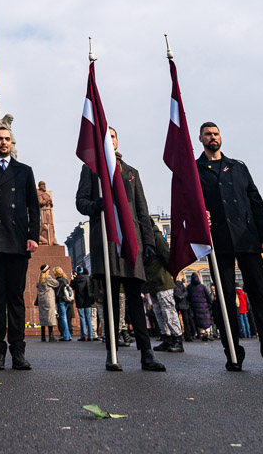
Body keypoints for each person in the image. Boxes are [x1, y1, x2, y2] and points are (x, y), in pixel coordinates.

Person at [196, 121, 263, 372]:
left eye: (216, 133)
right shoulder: (195, 170)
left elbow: (255, 201)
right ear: (201, 139)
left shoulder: (239, 167)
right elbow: (189, 203)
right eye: (208, 134)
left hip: (248, 239)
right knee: (226, 297)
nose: (213, 137)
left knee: (260, 297)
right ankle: (233, 352)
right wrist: (200, 217)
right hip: (218, 240)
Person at [75, 127, 165, 372]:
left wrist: (148, 243)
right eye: (106, 137)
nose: (110, 140)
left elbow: (142, 212)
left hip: (130, 241)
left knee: (135, 299)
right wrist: (97, 204)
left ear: (117, 142)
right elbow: (80, 202)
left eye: (113, 136)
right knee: (111, 299)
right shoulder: (91, 170)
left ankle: (146, 355)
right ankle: (112, 353)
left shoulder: (131, 172)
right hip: (105, 241)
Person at [0, 126, 40, 370]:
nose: (3, 143)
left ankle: (18, 350)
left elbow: (34, 207)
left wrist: (33, 236)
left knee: (16, 298)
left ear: (12, 143)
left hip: (17, 242)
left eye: (7, 139)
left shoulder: (24, 171)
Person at [142, 233, 184, 352]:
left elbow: (167, 256)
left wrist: (172, 272)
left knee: (168, 310)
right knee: (158, 312)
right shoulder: (146, 237)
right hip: (151, 281)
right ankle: (166, 338)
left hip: (162, 279)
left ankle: (177, 339)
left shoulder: (157, 237)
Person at [71, 266, 94, 341]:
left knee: (82, 318)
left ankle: (83, 335)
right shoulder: (87, 279)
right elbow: (89, 289)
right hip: (87, 300)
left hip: (79, 301)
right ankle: (90, 336)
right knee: (89, 318)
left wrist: (72, 279)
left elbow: (72, 287)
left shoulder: (75, 280)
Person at [36, 264, 56, 342]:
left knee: (43, 317)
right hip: (48, 299)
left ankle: (43, 336)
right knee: (50, 317)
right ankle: (51, 336)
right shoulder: (48, 278)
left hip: (41, 299)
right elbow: (56, 283)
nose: (49, 270)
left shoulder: (39, 278)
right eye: (48, 269)